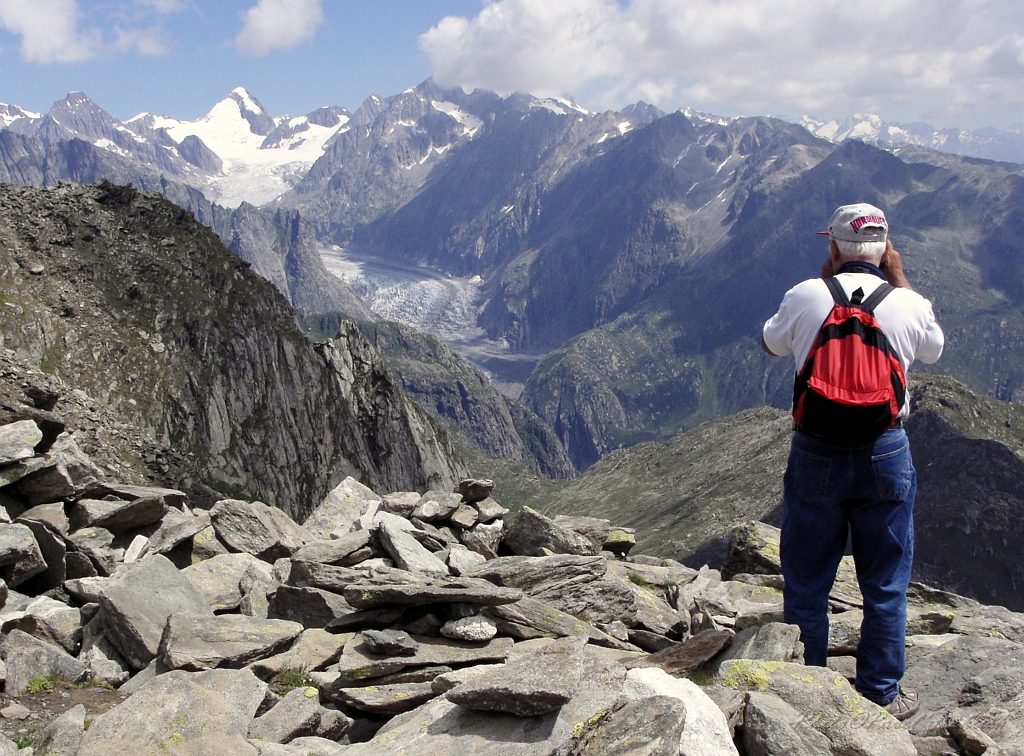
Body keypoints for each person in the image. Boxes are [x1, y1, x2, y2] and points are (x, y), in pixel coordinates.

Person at [761, 202, 944, 720]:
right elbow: (932, 350)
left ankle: (806, 688)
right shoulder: (909, 303)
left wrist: (820, 288)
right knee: (884, 582)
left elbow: (770, 343)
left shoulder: (806, 294)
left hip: (816, 448)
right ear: (885, 249)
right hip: (885, 449)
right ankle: (881, 692)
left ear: (834, 246)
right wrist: (902, 278)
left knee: (807, 579)